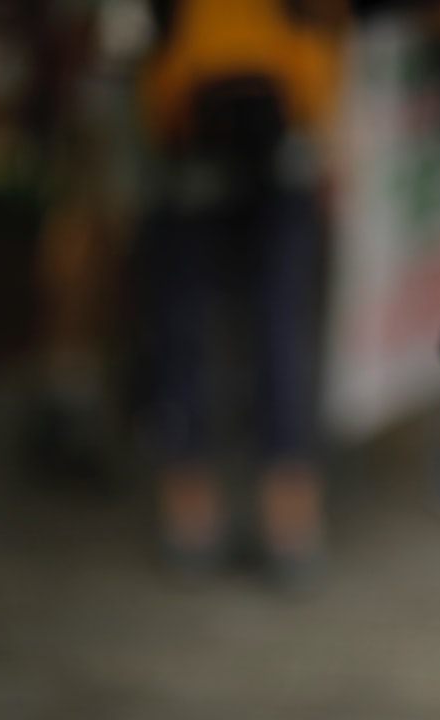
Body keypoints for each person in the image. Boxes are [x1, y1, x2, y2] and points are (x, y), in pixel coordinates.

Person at [135, 0, 349, 584]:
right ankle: (246, 513)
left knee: (239, 323)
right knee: (223, 323)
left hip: (245, 112)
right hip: (223, 112)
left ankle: (250, 513)